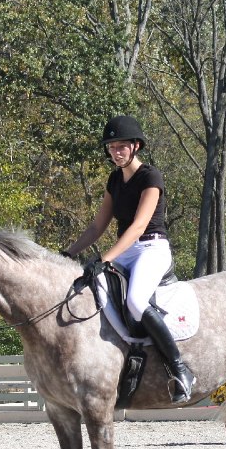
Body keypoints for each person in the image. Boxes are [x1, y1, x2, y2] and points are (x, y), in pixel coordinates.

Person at [63, 114, 195, 404]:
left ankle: (180, 368)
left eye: (121, 146)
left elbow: (138, 225)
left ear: (136, 146)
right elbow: (98, 226)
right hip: (127, 250)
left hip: (151, 248)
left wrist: (107, 258)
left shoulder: (150, 177)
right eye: (111, 148)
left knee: (135, 301)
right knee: (91, 291)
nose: (115, 152)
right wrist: (69, 253)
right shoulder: (114, 180)